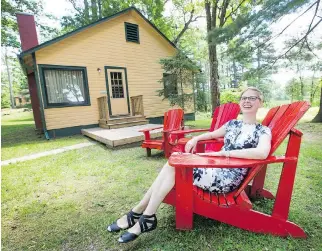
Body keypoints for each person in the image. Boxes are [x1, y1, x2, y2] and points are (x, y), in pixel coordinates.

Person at [107, 87, 272, 243]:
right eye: (244, 98)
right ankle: (143, 215)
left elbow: (262, 153)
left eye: (252, 98)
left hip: (227, 177)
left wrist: (224, 153)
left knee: (175, 166)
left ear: (260, 102)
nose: (247, 101)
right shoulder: (232, 125)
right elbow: (213, 134)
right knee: (173, 164)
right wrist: (196, 138)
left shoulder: (263, 130)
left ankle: (140, 214)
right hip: (216, 168)